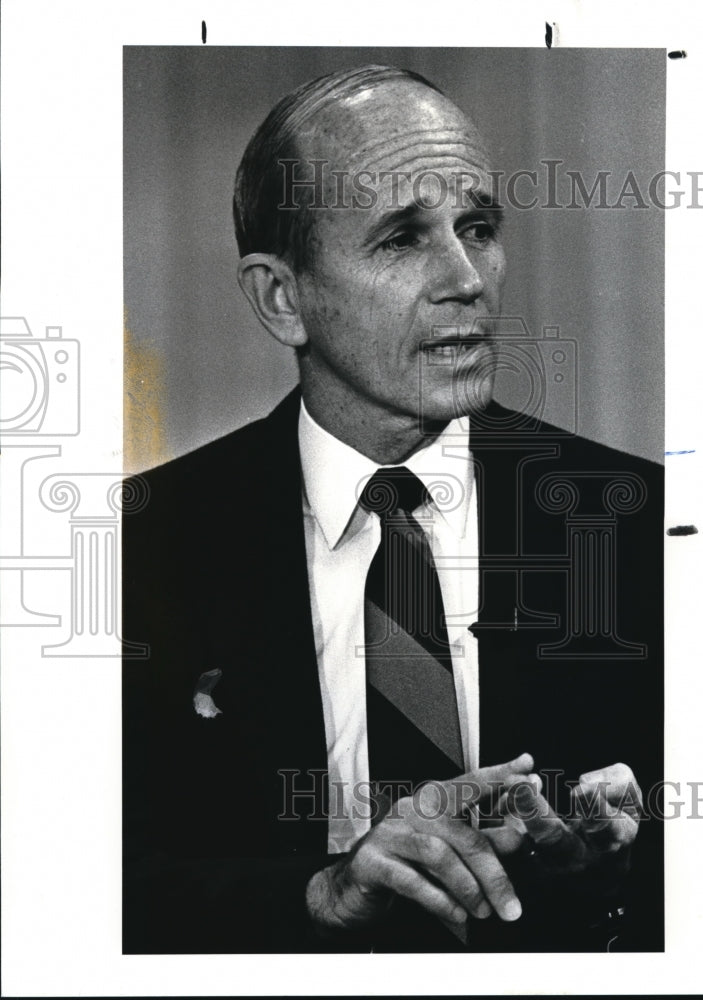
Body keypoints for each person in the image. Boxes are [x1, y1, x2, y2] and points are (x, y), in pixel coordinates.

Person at [122, 64, 663, 953]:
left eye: (478, 228)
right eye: (401, 239)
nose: (466, 279)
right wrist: (320, 894)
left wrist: (613, 882)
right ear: (281, 297)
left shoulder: (643, 525)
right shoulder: (140, 545)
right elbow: (80, 890)